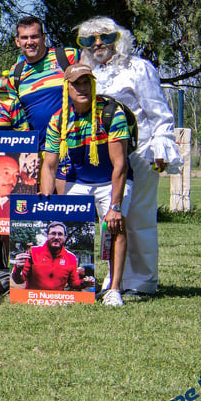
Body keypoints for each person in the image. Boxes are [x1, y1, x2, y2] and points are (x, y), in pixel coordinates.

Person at [78, 15, 176, 297]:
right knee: (110, 219)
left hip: (139, 153)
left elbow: (158, 111)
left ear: (118, 39)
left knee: (138, 218)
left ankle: (142, 282)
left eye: (105, 37)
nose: (98, 45)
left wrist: (161, 145)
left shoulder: (138, 68)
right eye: (90, 40)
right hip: (104, 157)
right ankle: (113, 281)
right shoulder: (87, 72)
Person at [38, 63, 131, 305]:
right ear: (66, 88)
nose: (81, 88)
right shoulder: (58, 119)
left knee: (115, 226)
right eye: (76, 83)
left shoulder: (111, 113)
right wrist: (47, 202)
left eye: (86, 82)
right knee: (65, 226)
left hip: (111, 179)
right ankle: (75, 286)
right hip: (78, 180)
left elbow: (120, 165)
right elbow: (49, 166)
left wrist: (115, 206)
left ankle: (114, 289)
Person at [10, 17, 84, 138]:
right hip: (39, 146)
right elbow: (14, 112)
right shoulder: (15, 73)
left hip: (74, 142)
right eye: (24, 38)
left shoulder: (68, 56)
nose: (30, 42)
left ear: (43, 38)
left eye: (34, 36)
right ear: (17, 42)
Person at [12, 221, 93, 292]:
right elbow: (19, 280)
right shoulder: (33, 252)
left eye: (60, 234)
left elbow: (73, 283)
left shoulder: (71, 258)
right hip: (33, 299)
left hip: (56, 301)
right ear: (47, 235)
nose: (56, 237)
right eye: (53, 233)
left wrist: (84, 283)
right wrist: (18, 269)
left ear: (65, 237)